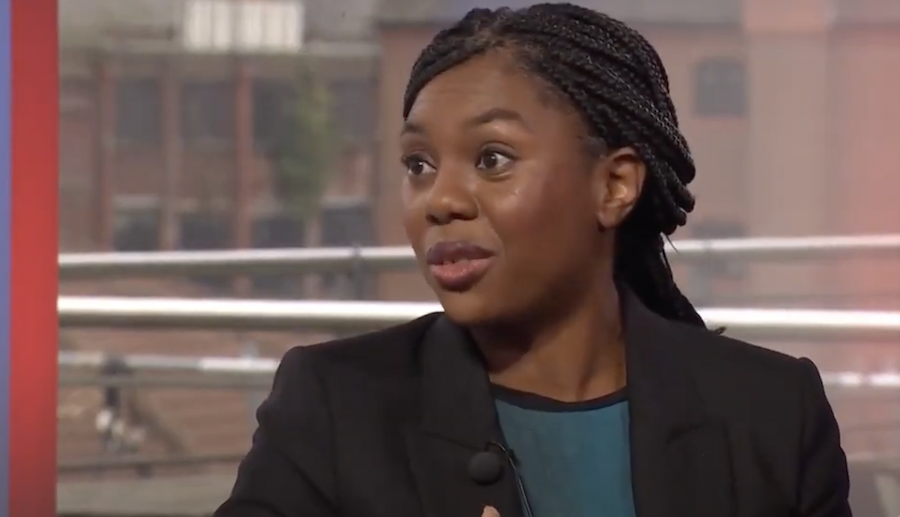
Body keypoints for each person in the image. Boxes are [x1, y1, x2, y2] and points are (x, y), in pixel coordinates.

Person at [215, 4, 852, 517]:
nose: (440, 201)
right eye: (418, 164)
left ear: (614, 186)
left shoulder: (771, 412)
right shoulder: (336, 405)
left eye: (492, 158)